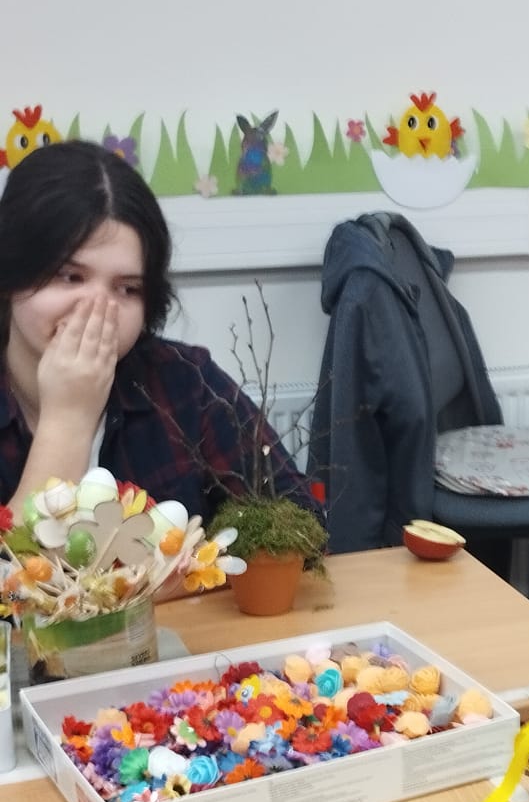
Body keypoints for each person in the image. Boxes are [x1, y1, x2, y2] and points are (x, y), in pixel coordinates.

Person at [0, 140, 313, 520]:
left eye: (126, 289)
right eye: (70, 277)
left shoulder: (183, 380)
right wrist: (68, 420)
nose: (98, 310)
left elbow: (299, 519)